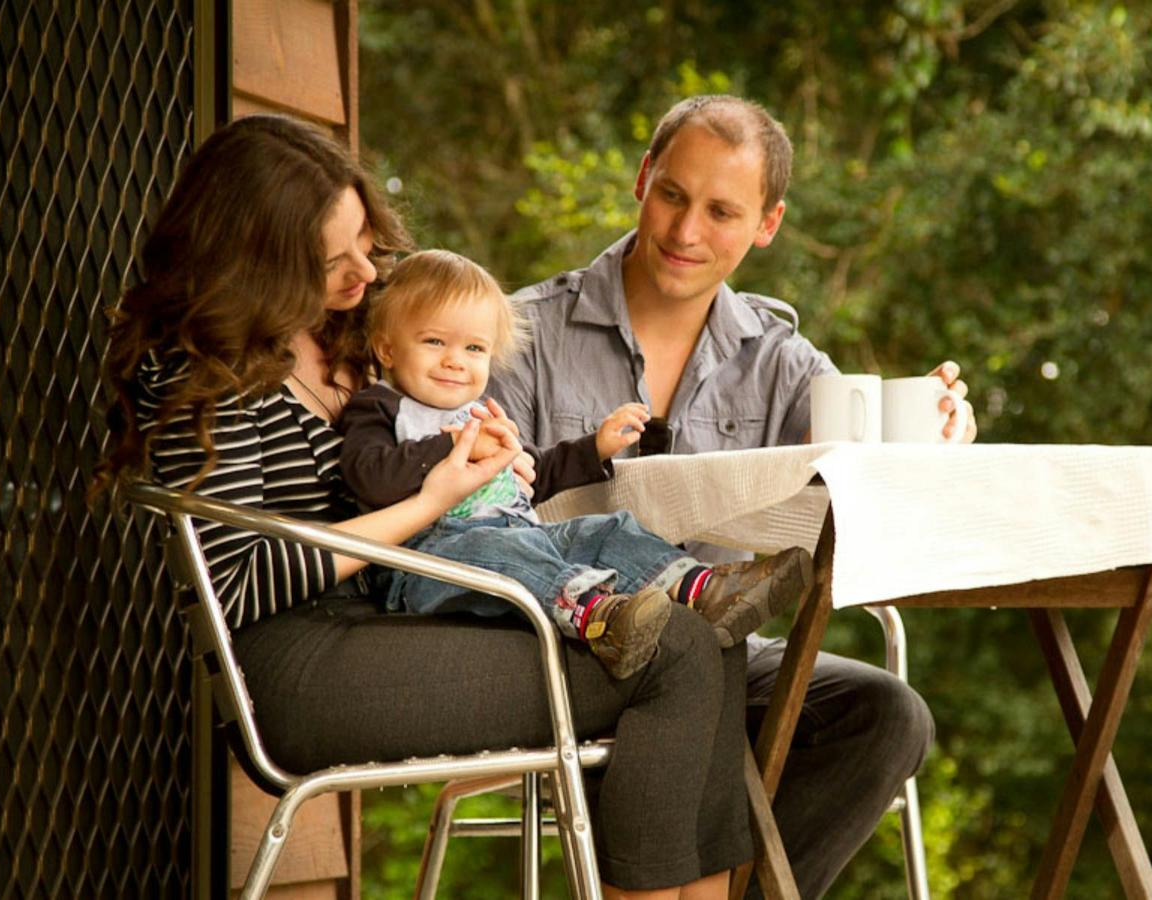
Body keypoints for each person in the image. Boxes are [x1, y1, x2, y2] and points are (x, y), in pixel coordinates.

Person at [94, 113, 757, 899]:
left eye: (365, 246)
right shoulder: (202, 369)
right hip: (300, 664)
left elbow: (451, 382)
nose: (365, 275)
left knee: (715, 633)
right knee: (675, 650)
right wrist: (436, 495)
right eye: (330, 259)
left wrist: (493, 453)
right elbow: (238, 585)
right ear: (257, 262)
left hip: (398, 611)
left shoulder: (349, 333)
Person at [490, 94, 974, 898]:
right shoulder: (523, 335)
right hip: (561, 650)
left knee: (887, 717)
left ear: (767, 224)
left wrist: (936, 426)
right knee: (689, 685)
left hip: (713, 656)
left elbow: (854, 461)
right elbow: (474, 512)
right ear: (643, 180)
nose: (685, 233)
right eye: (673, 195)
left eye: (721, 211)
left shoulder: (781, 358)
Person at [334, 248, 814, 679]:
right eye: (435, 342)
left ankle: (700, 588)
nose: (456, 361)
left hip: (518, 536)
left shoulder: (482, 413)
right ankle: (600, 616)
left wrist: (594, 448)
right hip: (424, 564)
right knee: (504, 552)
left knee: (604, 530)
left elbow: (534, 475)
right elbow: (369, 477)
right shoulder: (382, 407)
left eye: (474, 348)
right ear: (389, 349)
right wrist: (453, 445)